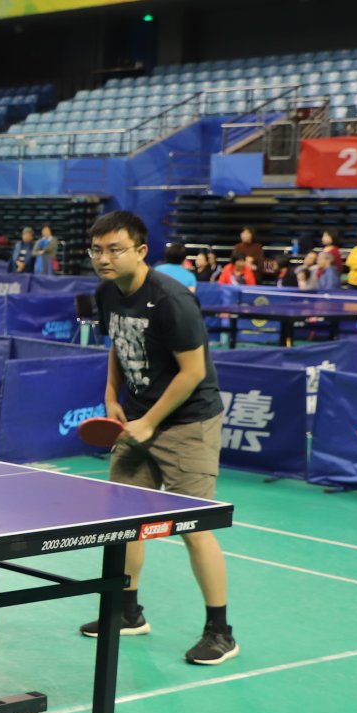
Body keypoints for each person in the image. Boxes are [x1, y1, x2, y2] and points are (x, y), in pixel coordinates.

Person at [83, 210, 236, 666]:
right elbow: (118, 344)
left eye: (115, 249)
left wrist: (150, 421)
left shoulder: (171, 299)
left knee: (195, 527)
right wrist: (111, 395)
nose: (104, 258)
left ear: (141, 251)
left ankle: (221, 632)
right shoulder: (106, 292)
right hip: (136, 420)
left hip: (188, 424)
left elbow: (193, 372)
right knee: (124, 521)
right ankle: (127, 612)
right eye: (97, 250)